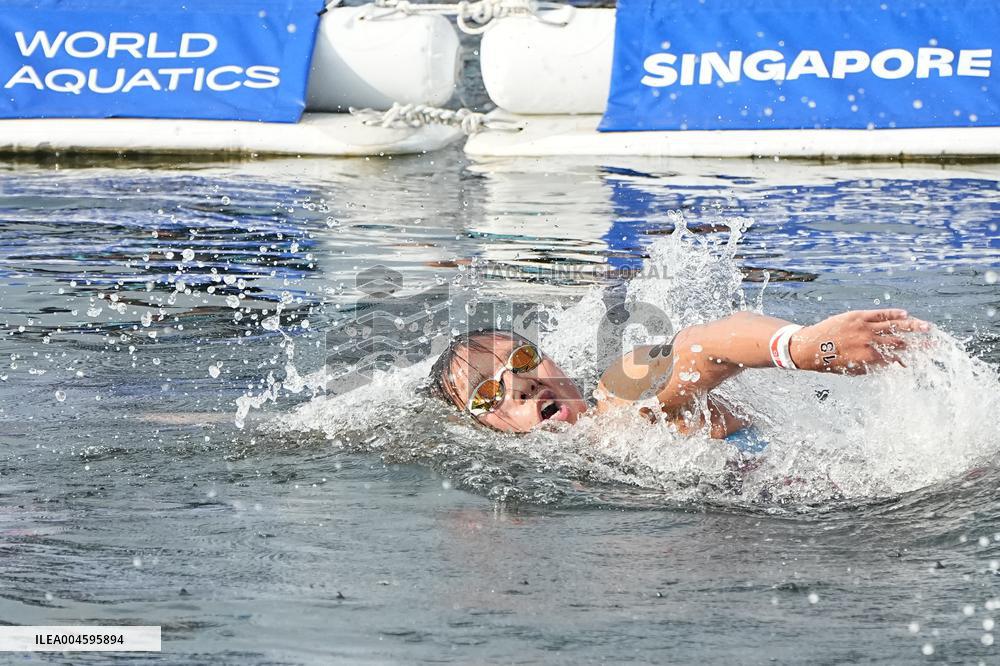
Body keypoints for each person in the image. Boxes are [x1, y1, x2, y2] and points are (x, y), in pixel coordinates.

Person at [427, 309, 931, 443]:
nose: (520, 384)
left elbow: (703, 344)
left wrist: (807, 347)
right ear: (485, 430)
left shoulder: (620, 394)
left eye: (521, 360)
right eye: (489, 393)